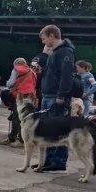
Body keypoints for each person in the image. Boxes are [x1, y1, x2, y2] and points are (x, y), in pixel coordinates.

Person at [38, 25, 76, 171]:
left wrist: (61, 95)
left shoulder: (65, 52)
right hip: (49, 94)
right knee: (48, 129)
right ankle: (48, 160)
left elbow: (67, 76)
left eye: (44, 38)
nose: (43, 42)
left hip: (56, 96)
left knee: (58, 129)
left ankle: (58, 161)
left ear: (52, 36)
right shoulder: (55, 53)